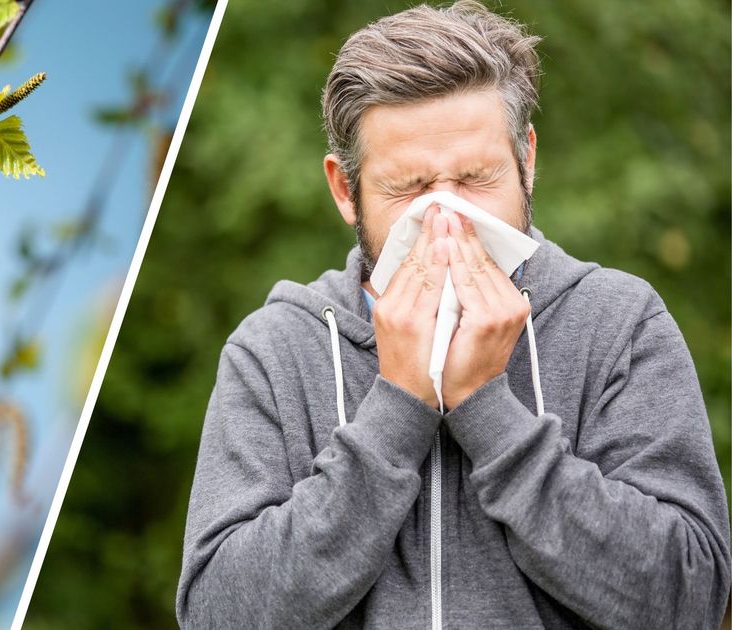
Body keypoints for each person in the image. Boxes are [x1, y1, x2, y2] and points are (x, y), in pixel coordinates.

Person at [175, 2, 731, 628]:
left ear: (526, 160)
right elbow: (216, 612)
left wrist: (489, 411)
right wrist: (396, 408)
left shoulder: (619, 324)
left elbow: (690, 598)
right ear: (345, 190)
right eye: (409, 188)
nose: (446, 218)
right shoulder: (275, 349)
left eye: (475, 177)